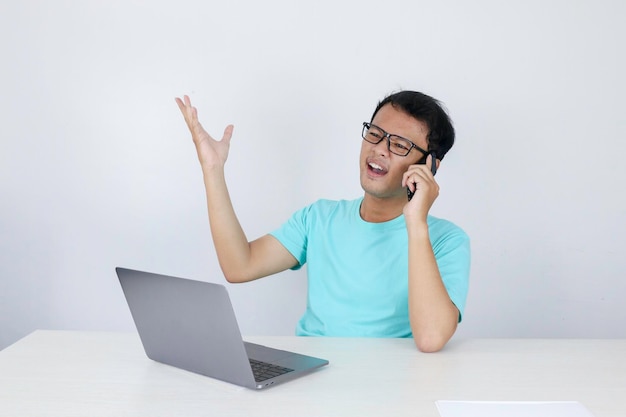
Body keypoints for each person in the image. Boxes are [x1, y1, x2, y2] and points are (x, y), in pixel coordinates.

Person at [175, 91, 470, 352]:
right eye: (376, 133)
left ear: (429, 165)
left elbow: (431, 339)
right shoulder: (319, 218)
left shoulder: (447, 240)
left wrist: (416, 222)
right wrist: (212, 169)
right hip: (314, 379)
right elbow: (239, 266)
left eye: (400, 145)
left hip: (393, 386)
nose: (380, 148)